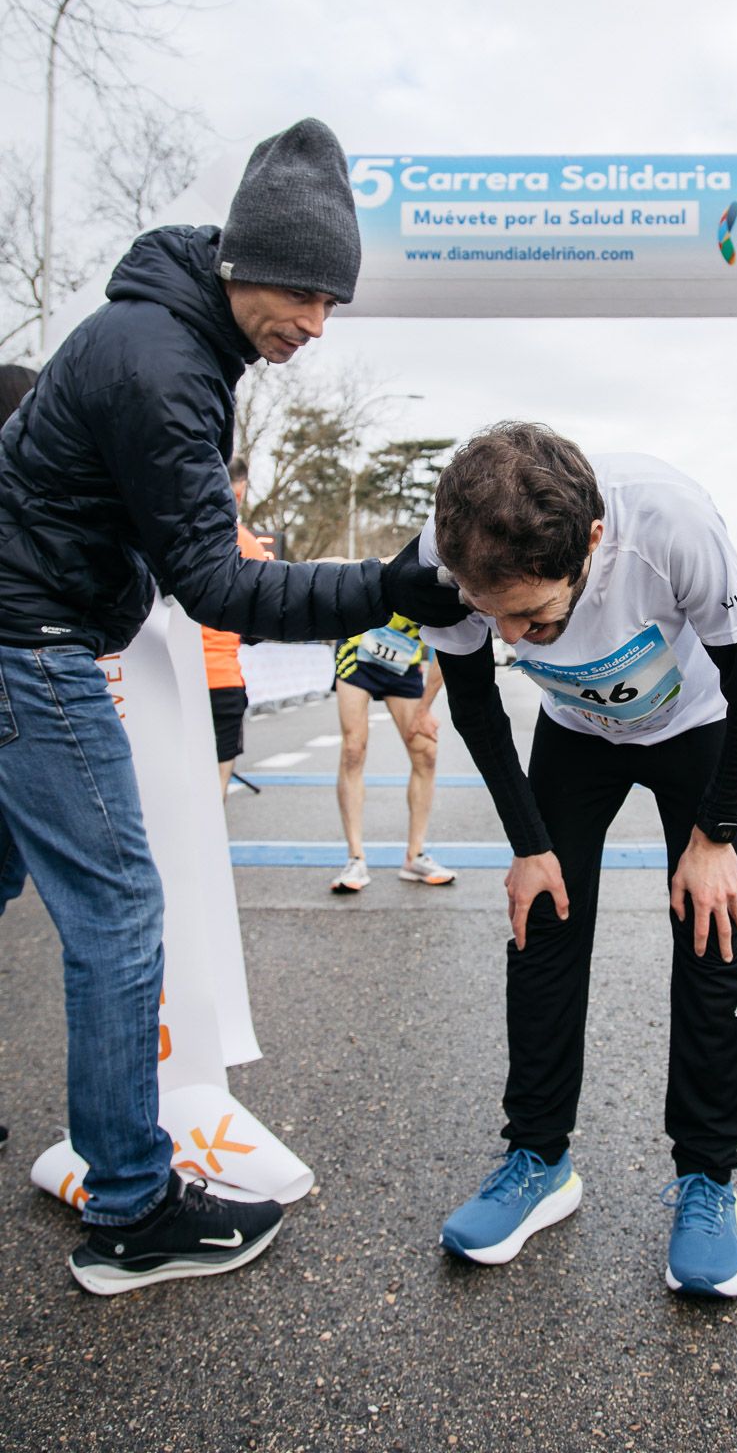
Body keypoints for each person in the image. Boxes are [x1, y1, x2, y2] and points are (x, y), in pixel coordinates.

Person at [0, 118, 465, 1296]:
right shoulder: (163, 366)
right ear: (241, 260)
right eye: (303, 291)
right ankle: (131, 1207)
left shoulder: (163, 336)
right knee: (117, 911)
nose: (314, 323)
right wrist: (387, 586)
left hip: (17, 626)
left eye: (332, 302)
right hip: (27, 643)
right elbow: (215, 582)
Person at [418, 422, 737, 1297]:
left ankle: (707, 1180)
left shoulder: (670, 526)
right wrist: (527, 845)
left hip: (695, 727)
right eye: (492, 617)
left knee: (709, 928)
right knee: (539, 922)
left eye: (533, 614)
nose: (514, 640)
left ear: (590, 543)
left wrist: (717, 838)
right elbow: (474, 706)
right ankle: (538, 1160)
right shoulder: (445, 555)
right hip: (577, 736)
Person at [331, 616, 456, 892]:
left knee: (426, 753)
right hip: (359, 649)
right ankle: (355, 858)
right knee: (353, 749)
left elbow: (449, 649)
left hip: (403, 662)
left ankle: (415, 856)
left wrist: (424, 710)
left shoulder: (458, 591)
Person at [202, 455, 271, 797]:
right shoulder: (246, 543)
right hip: (219, 679)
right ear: (240, 489)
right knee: (213, 795)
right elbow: (259, 625)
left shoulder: (159, 534)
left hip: (160, 680)